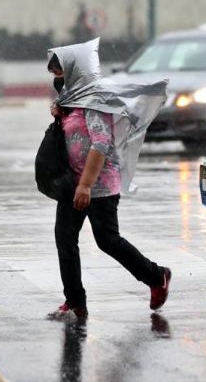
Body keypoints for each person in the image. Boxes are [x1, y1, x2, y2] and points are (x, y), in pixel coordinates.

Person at [45, 45, 171, 320]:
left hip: (98, 185)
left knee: (107, 241)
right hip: (71, 182)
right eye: (54, 73)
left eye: (59, 72)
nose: (56, 78)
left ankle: (156, 275)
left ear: (75, 70)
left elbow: (101, 143)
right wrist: (60, 115)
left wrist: (86, 185)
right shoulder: (71, 98)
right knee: (65, 240)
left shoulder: (95, 99)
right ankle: (75, 303)